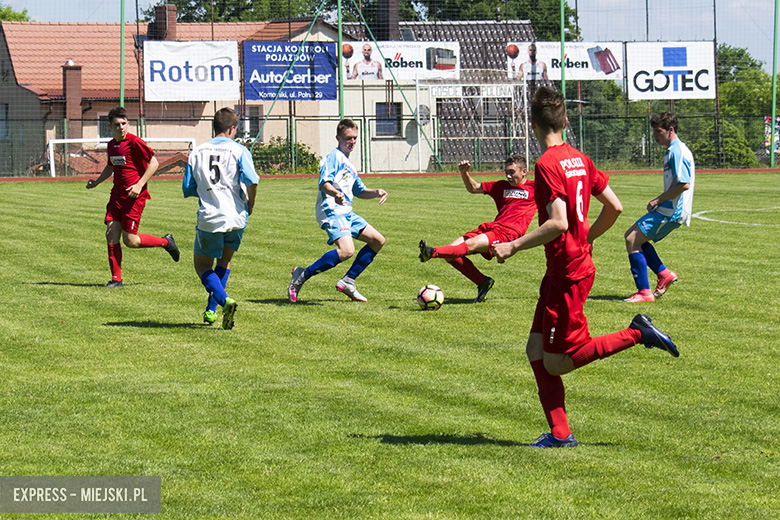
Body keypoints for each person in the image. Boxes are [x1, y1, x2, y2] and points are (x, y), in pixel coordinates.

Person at [492, 87, 679, 448]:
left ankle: (638, 333)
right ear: (564, 121)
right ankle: (561, 434)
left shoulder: (547, 165)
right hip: (567, 267)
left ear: (532, 124)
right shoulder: (579, 157)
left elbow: (558, 223)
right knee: (535, 351)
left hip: (567, 272)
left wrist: (513, 245)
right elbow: (616, 206)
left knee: (559, 362)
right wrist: (588, 236)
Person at [288, 118, 388, 303]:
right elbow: (323, 183)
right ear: (338, 137)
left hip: (346, 212)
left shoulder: (349, 164)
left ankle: (348, 281)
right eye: (348, 138)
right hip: (332, 210)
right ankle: (301, 276)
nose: (352, 142)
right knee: (347, 250)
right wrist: (335, 193)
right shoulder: (334, 157)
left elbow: (359, 191)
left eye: (355, 138)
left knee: (377, 241)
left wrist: (376, 192)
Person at [418, 156, 536, 303]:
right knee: (451, 254)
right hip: (491, 227)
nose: (508, 176)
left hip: (507, 233)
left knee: (470, 245)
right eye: (506, 172)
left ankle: (431, 252)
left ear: (524, 171)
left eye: (512, 172)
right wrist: (464, 173)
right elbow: (473, 188)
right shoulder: (501, 186)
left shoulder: (536, 188)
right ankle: (482, 282)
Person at [86, 105, 179, 288]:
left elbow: (154, 163)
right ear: (110, 126)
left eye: (124, 123)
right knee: (111, 233)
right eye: (117, 124)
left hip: (134, 198)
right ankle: (116, 279)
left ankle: (165, 242)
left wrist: (139, 184)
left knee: (131, 241)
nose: (121, 127)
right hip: (116, 197)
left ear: (127, 123)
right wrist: (97, 182)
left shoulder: (135, 142)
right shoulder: (112, 145)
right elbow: (111, 166)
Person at [183, 107, 259, 329]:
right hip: (236, 216)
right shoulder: (239, 150)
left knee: (202, 266)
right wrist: (250, 204)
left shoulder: (197, 152)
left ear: (213, 127)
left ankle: (224, 300)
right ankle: (210, 311)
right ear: (232, 128)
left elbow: (188, 188)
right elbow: (253, 180)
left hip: (210, 217)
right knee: (224, 262)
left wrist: (210, 191)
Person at [623, 112, 695, 302]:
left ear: (671, 130)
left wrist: (658, 200)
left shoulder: (676, 151)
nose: (655, 136)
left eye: (658, 131)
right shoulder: (674, 149)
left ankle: (644, 293)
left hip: (671, 211)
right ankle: (664, 275)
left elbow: (683, 184)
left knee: (631, 239)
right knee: (637, 239)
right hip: (669, 209)